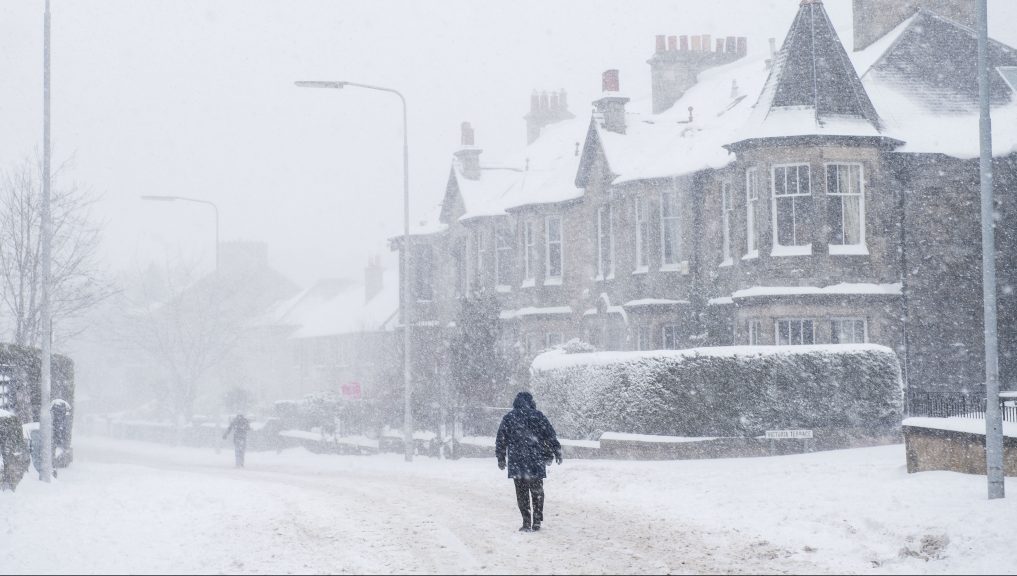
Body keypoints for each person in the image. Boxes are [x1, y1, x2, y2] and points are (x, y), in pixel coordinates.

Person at [495, 391, 562, 532]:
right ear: (531, 402)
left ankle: (526, 521)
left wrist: (501, 458)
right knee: (537, 491)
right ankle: (537, 520)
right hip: (535, 460)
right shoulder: (538, 416)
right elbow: (550, 435)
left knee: (522, 493)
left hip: (517, 462)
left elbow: (501, 439)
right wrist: (557, 451)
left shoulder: (509, 418)